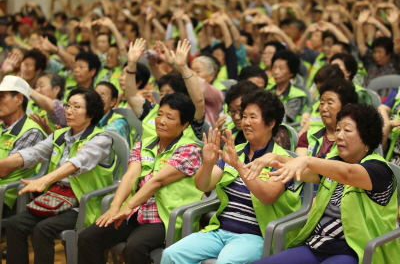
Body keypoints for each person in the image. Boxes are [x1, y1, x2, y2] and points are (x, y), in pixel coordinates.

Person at [161, 89, 301, 264]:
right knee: (171, 254)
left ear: (271, 122)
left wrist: (238, 165)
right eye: (244, 117)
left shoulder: (279, 159)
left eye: (253, 117)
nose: (246, 122)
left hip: (256, 236)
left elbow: (268, 196)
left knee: (225, 262)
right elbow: (203, 186)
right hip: (220, 230)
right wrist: (209, 162)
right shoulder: (236, 152)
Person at [252, 103, 400, 264]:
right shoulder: (334, 161)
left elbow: (347, 173)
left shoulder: (379, 169)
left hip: (354, 252)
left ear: (366, 137)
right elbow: (307, 169)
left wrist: (307, 159)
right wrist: (276, 158)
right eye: (338, 130)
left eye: (347, 130)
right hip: (317, 245)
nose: (339, 136)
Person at [77, 92, 204, 264]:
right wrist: (115, 207)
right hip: (136, 211)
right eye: (160, 114)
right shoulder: (144, 144)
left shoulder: (190, 149)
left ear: (184, 125)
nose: (161, 121)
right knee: (88, 237)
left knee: (134, 247)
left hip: (165, 217)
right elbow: (130, 176)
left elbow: (157, 181)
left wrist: (127, 206)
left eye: (170, 117)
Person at [4, 87, 116, 264]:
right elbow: (33, 153)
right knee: (14, 224)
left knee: (43, 228)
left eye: (76, 107)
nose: (69, 111)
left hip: (83, 202)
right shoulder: (59, 135)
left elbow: (77, 162)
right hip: (56, 198)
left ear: (91, 113)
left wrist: (44, 180)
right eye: (67, 106)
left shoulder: (100, 139)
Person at [125, 38, 205, 140]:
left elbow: (198, 100)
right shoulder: (151, 110)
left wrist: (183, 67)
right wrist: (131, 64)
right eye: (161, 92)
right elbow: (131, 96)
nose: (163, 96)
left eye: (168, 93)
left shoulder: (190, 115)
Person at [0, 75, 46, 217]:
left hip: (5, 196)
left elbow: (3, 170)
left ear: (19, 99)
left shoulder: (31, 131)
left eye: (2, 96)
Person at [296, 78, 358, 158]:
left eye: (330, 103)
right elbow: (296, 164)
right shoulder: (309, 135)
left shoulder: (352, 140)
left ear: (347, 107)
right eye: (322, 103)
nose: (323, 108)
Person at [265, 50, 307, 123]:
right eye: (274, 67)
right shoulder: (267, 91)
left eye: (281, 68)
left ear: (291, 73)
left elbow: (286, 118)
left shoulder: (296, 95)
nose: (276, 72)